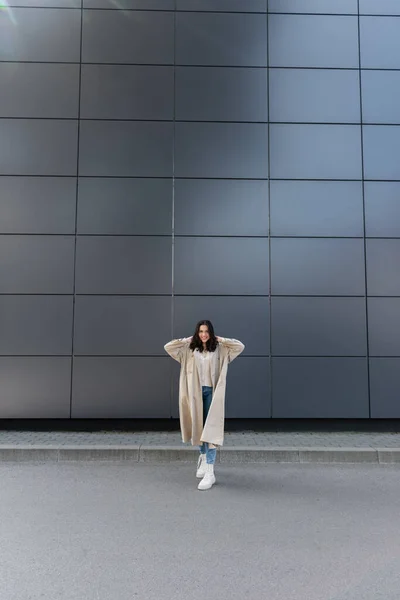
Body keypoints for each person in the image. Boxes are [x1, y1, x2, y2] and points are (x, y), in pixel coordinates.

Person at [164, 320, 244, 491]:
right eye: (200, 331)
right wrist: (185, 340)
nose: (204, 334)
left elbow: (239, 346)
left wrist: (221, 339)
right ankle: (202, 456)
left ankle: (210, 471)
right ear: (197, 333)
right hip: (195, 394)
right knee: (198, 429)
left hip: (212, 393)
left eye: (207, 331)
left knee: (211, 432)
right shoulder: (189, 350)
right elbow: (168, 347)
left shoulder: (220, 350)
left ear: (211, 332)